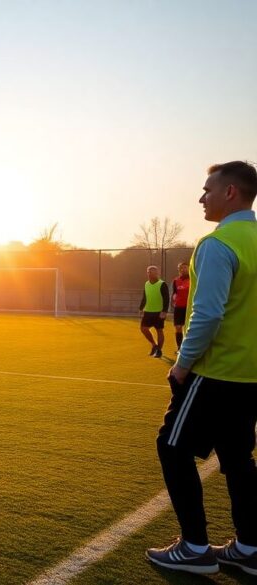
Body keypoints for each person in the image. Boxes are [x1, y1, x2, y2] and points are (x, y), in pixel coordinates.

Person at [147, 161, 257, 576]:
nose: (201, 198)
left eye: (208, 190)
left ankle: (194, 547)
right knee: (238, 458)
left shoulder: (217, 244)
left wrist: (182, 365)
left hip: (216, 372)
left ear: (230, 192)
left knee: (172, 447)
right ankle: (249, 548)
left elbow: (208, 315)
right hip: (251, 375)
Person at [139, 265, 170, 358]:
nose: (150, 274)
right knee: (143, 328)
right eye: (148, 272)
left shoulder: (162, 284)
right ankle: (154, 345)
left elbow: (166, 298)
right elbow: (144, 297)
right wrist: (141, 308)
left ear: (157, 273)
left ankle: (159, 351)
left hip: (159, 312)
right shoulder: (146, 284)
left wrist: (164, 311)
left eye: (152, 272)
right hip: (148, 311)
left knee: (159, 330)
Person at [171, 261, 191, 353]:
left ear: (189, 268)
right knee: (178, 327)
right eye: (181, 268)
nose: (183, 269)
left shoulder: (193, 279)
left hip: (189, 307)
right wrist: (173, 300)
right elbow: (175, 293)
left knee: (189, 328)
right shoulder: (176, 281)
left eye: (185, 267)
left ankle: (189, 348)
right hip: (178, 308)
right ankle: (179, 347)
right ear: (179, 270)